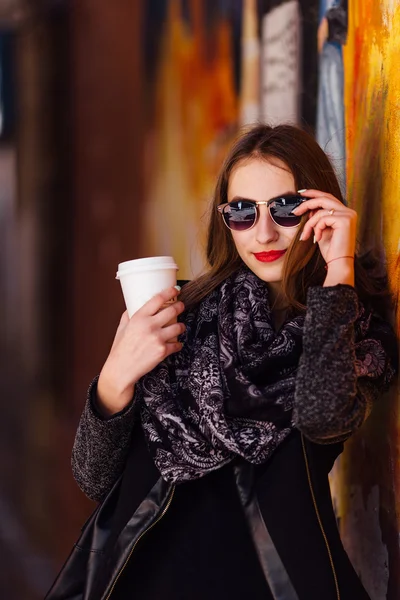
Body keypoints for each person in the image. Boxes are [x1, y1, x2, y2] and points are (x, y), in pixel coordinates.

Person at [46, 124, 397, 600]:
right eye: (243, 212)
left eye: (287, 208)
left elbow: (323, 419)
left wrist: (338, 272)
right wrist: (116, 374)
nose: (265, 232)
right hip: (148, 581)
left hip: (274, 584)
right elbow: (94, 478)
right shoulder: (181, 313)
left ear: (320, 209)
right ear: (225, 220)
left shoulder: (350, 330)